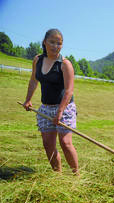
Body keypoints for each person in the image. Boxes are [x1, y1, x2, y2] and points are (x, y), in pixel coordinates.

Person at [22, 29, 79, 174]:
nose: (55, 46)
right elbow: (34, 80)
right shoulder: (38, 60)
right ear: (44, 42)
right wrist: (28, 100)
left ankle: (76, 175)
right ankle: (57, 176)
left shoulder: (65, 64)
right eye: (52, 42)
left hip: (64, 108)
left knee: (65, 143)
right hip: (46, 108)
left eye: (59, 43)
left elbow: (69, 91)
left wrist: (60, 112)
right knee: (48, 144)